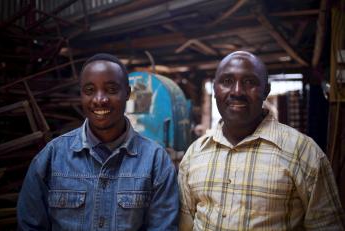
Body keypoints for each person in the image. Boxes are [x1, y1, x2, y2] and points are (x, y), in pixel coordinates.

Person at [178, 51, 345, 230]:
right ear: (215, 90)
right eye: (227, 81)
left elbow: (327, 225)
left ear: (266, 91)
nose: (237, 91)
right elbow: (185, 224)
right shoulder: (195, 153)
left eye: (249, 82)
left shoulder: (304, 152)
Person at [17, 53, 179, 230]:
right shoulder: (52, 157)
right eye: (89, 91)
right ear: (81, 95)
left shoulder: (156, 161)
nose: (99, 99)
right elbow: (30, 226)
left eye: (111, 90)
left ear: (127, 93)